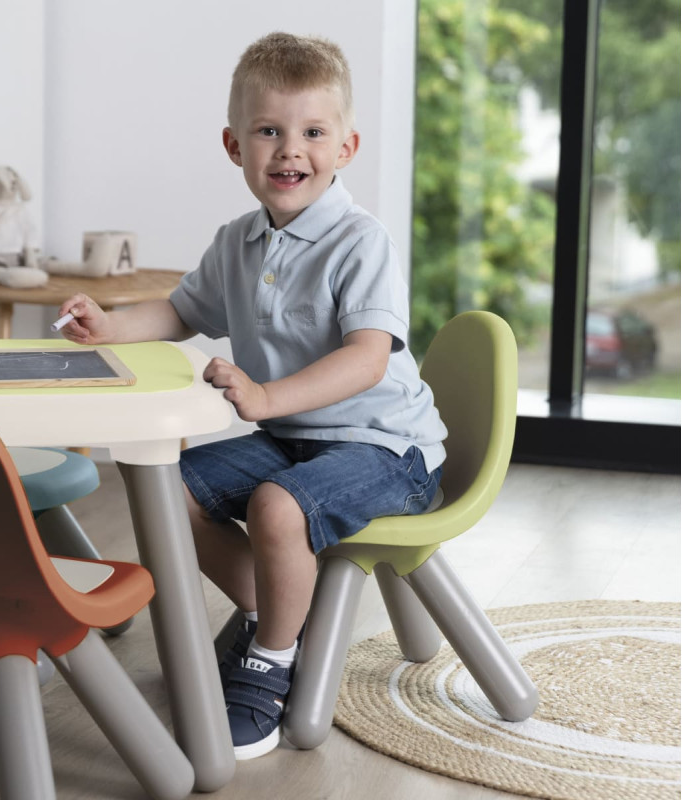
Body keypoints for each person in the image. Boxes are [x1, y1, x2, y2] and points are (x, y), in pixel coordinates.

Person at [56, 31, 447, 761]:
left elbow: (367, 361)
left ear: (347, 147)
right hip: (293, 439)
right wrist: (110, 324)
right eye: (269, 131)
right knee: (163, 486)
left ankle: (270, 660)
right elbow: (179, 311)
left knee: (276, 505)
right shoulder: (237, 241)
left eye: (313, 133)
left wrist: (264, 397)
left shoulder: (362, 242)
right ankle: (276, 612)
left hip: (387, 448)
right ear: (235, 146)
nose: (290, 149)